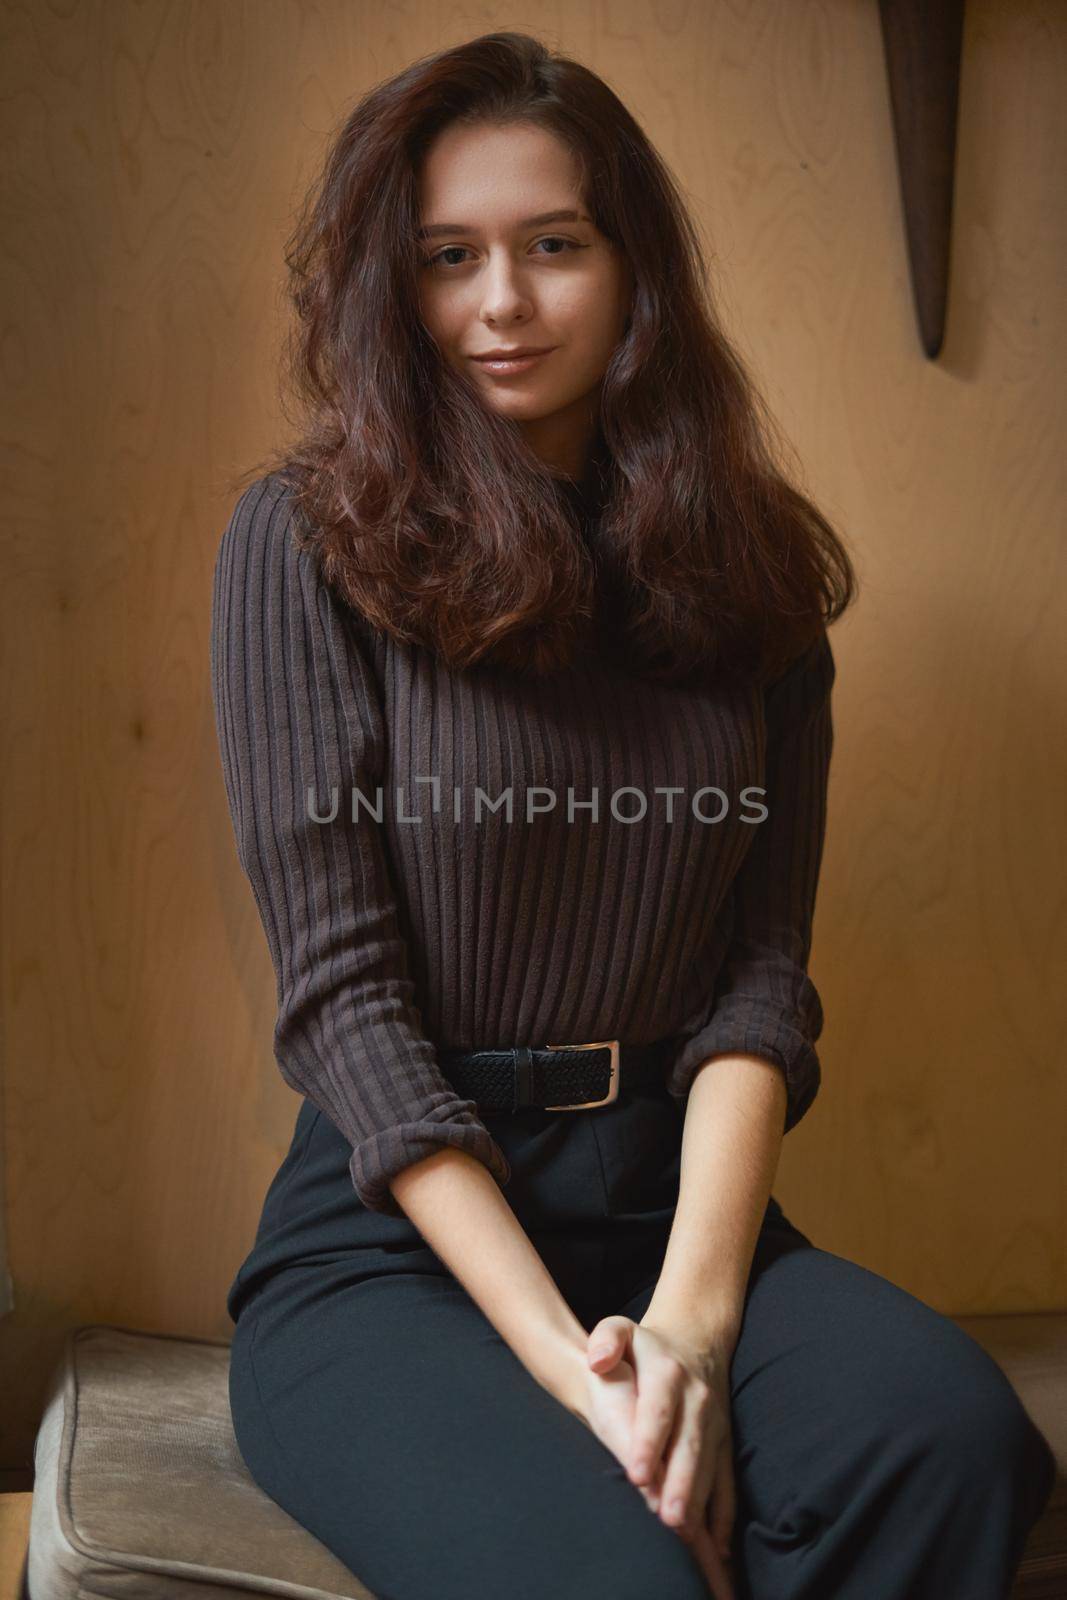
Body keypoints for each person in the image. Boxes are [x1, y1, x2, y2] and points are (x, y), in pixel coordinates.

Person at [210, 30, 1056, 1600]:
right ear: (393, 288)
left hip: (676, 1212)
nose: (502, 306)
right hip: (395, 1256)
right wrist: (573, 1367)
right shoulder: (302, 542)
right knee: (619, 1574)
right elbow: (346, 1008)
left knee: (952, 1441)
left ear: (633, 264)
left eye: (553, 246)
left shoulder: (752, 571)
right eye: (449, 259)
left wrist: (691, 1327)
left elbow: (759, 983)